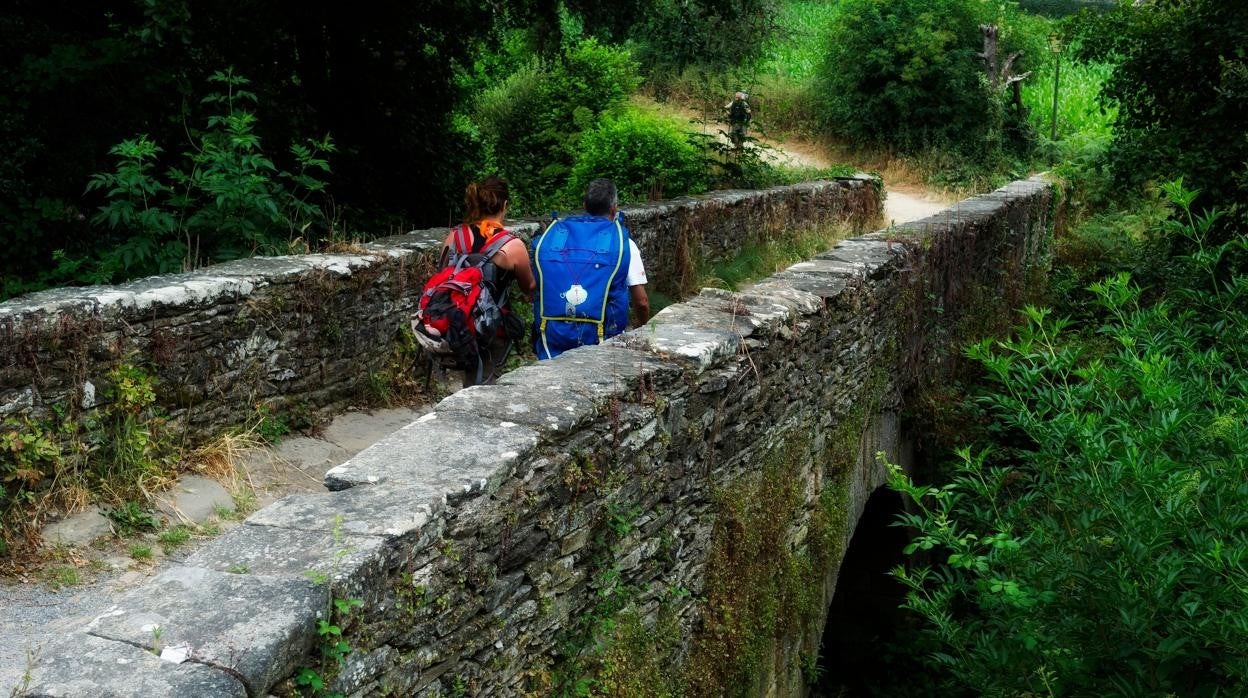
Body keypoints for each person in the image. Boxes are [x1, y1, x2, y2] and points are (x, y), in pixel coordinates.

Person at [532, 178, 650, 360]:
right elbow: (641, 302)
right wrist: (643, 329)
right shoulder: (622, 243)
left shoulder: (553, 239)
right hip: (602, 341)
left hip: (552, 339)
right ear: (614, 208)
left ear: (585, 205)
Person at [437, 176, 536, 386]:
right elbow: (529, 286)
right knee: (487, 383)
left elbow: (443, 273)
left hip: (457, 324)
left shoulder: (455, 236)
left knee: (470, 379)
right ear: (505, 205)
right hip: (492, 328)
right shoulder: (512, 245)